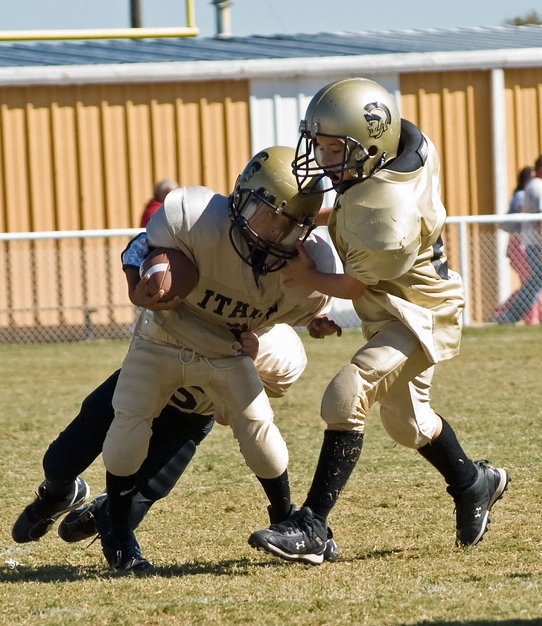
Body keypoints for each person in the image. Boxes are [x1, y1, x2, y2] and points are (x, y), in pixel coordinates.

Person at [248, 78, 510, 565]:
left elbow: (352, 287)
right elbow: (363, 188)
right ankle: (476, 483)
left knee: (346, 395)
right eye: (321, 145)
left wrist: (306, 272)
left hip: (418, 314)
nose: (323, 159)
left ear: (370, 147)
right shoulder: (401, 150)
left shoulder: (384, 212)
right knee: (408, 424)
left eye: (334, 149)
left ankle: (312, 526)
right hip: (396, 303)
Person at [100, 145, 341, 572]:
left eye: (289, 225)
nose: (273, 232)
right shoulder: (191, 216)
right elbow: (141, 247)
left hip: (227, 348)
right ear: (242, 197)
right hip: (165, 336)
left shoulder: (307, 268)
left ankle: (284, 517)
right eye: (268, 214)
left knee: (259, 427)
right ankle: (118, 533)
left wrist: (317, 318)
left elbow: (297, 308)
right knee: (128, 422)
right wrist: (143, 279)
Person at [12, 323, 340, 570]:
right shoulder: (198, 293)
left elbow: (230, 415)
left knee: (143, 494)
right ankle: (58, 494)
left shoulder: (279, 348)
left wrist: (240, 373)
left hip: (188, 418)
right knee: (61, 460)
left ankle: (105, 513)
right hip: (137, 388)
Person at [495, 157, 542, 324]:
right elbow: (539, 219)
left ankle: (508, 315)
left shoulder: (531, 187)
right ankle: (509, 315)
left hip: (530, 242)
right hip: (535, 243)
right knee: (533, 285)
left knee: (534, 284)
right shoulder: (536, 187)